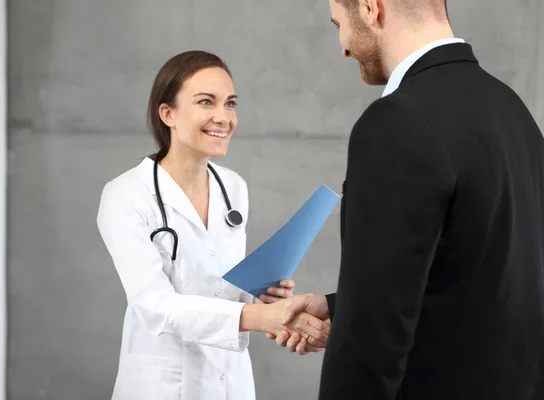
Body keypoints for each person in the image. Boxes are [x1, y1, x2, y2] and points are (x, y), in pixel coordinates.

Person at [270, 0, 544, 399]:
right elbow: (488, 276)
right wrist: (340, 305)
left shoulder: (398, 121)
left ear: (369, 8)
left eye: (338, 25)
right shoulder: (514, 113)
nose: (343, 46)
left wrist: (359, 315)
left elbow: (371, 342)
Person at [96, 50, 331, 400]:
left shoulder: (233, 186)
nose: (223, 117)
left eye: (230, 104)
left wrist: (270, 303)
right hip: (163, 384)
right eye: (206, 102)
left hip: (230, 380)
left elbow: (221, 288)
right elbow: (154, 306)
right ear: (168, 114)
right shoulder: (125, 195)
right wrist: (259, 317)